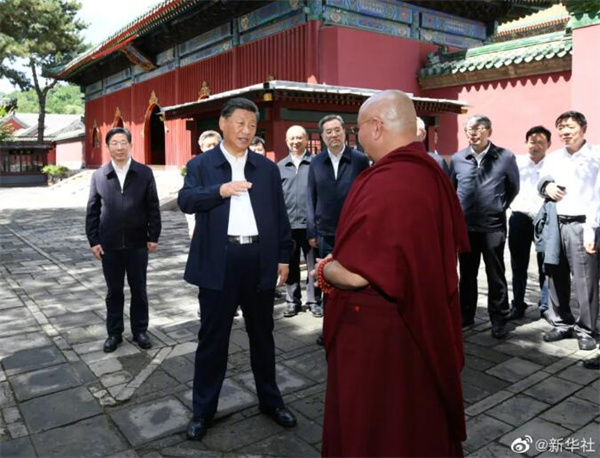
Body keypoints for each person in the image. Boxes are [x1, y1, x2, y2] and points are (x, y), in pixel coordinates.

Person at [315, 89, 468, 457]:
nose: (357, 138)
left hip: (381, 332)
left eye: (358, 129)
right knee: (417, 415)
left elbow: (357, 274)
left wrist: (325, 268)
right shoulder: (429, 173)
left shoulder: (388, 182)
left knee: (379, 423)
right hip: (422, 315)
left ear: (377, 127)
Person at [178, 98, 296, 441]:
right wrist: (220, 191)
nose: (246, 130)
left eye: (252, 125)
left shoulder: (266, 168)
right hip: (219, 261)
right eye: (240, 123)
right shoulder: (201, 164)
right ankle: (203, 411)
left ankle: (271, 401)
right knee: (212, 339)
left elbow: (280, 216)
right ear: (223, 123)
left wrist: (284, 257)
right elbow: (186, 200)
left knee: (263, 336)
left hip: (258, 260)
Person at [86, 127, 161, 353]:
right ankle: (114, 333)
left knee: (139, 289)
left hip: (138, 243)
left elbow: (153, 206)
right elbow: (92, 210)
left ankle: (140, 330)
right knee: (114, 291)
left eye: (123, 142)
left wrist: (153, 236)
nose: (119, 147)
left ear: (130, 145)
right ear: (107, 147)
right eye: (114, 143)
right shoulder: (99, 175)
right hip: (109, 245)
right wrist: (93, 240)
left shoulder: (144, 173)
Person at [450, 115, 519, 339]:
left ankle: (499, 319)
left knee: (495, 275)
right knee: (467, 274)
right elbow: (452, 189)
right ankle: (465, 315)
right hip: (466, 227)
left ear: (489, 131)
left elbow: (513, 187)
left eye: (479, 128)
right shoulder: (458, 158)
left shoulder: (505, 157)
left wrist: (498, 205)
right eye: (469, 129)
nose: (473, 133)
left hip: (493, 226)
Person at [537, 111, 599, 351]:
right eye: (561, 127)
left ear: (583, 128)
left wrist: (591, 230)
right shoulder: (554, 158)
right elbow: (541, 181)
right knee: (554, 274)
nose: (565, 131)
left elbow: (598, 197)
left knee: (585, 280)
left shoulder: (595, 156)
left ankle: (586, 329)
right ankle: (562, 322)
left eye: (570, 126)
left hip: (582, 225)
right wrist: (547, 186)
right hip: (555, 223)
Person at [307, 114, 369, 341]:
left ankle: (354, 327)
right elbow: (310, 197)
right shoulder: (316, 162)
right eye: (328, 132)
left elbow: (366, 195)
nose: (333, 135)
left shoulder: (359, 160)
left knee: (352, 279)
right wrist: (312, 230)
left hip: (353, 232)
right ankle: (329, 329)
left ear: (344, 132)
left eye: (337, 130)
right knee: (327, 281)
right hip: (325, 232)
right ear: (323, 136)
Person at [507, 126, 551, 321]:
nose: (536, 146)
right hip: (520, 217)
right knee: (518, 265)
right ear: (526, 143)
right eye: (532, 142)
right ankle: (517, 304)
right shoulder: (515, 163)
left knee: (546, 264)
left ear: (548, 144)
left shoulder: (554, 164)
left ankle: (546, 306)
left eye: (541, 142)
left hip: (545, 219)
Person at [277, 125, 320, 317]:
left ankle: (314, 301)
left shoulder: (316, 164)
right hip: (287, 225)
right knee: (290, 265)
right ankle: (292, 302)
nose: (295, 142)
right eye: (292, 138)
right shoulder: (280, 167)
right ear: (287, 141)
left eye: (299, 138)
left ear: (306, 140)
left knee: (313, 267)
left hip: (310, 224)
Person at [186, 130, 222, 239]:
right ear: (202, 148)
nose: (212, 148)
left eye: (215, 145)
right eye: (208, 145)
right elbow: (190, 198)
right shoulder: (195, 167)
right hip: (204, 221)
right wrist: (192, 226)